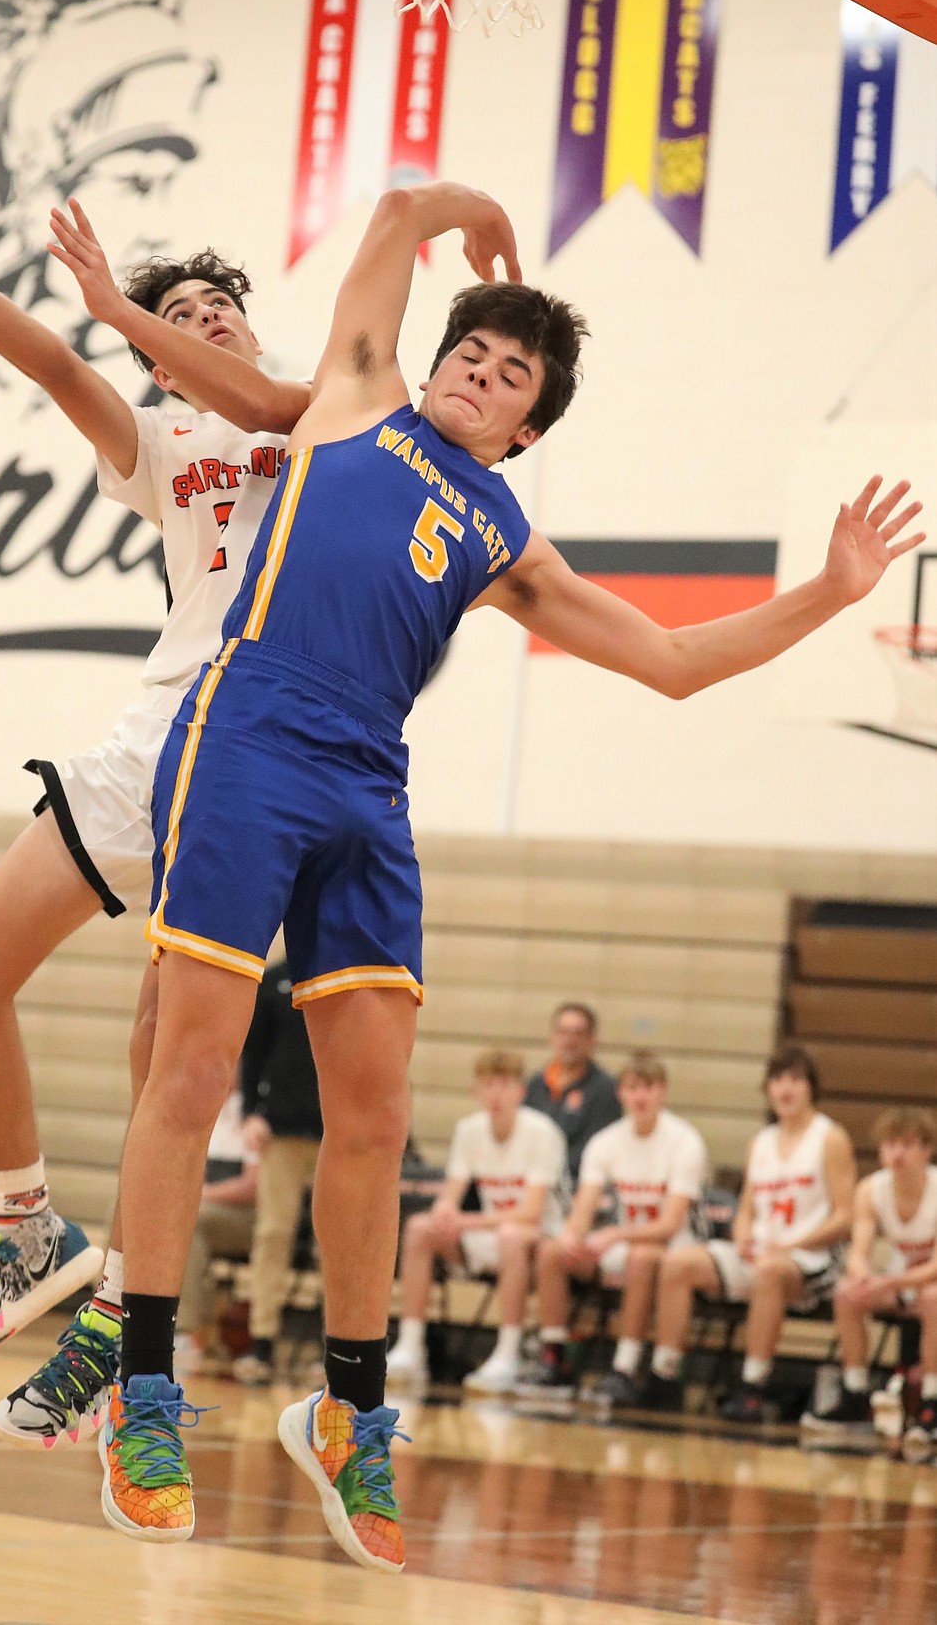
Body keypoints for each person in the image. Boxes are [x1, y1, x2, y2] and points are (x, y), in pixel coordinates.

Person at [51, 174, 921, 1567]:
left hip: (367, 782)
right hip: (249, 731)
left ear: (523, 427)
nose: (479, 369)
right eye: (470, 347)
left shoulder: (501, 533)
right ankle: (143, 1390)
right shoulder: (349, 390)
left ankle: (346, 1410)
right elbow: (394, 213)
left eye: (510, 371)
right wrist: (471, 215)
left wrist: (826, 590)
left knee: (379, 1112)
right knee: (194, 1073)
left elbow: (675, 662)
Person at [0, 154, 309, 1413]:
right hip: (152, 737)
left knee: (169, 1064)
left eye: (222, 310)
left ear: (253, 330)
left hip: (259, 759)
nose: (206, 324)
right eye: (183, 317)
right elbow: (48, 362)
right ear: (154, 356)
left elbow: (294, 403)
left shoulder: (319, 420)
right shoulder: (159, 434)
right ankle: (25, 1225)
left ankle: (118, 1320)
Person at [641, 1046, 858, 1420]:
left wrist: (794, 1243)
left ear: (811, 1088)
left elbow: (845, 1216)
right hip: (760, 1253)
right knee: (678, 1262)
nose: (785, 1089)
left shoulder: (830, 1138)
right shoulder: (761, 1142)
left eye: (795, 1080)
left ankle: (753, 1386)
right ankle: (665, 1375)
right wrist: (741, 1236)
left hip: (810, 1261)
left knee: (770, 1270)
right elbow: (746, 1209)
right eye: (777, 1080)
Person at [385, 1048, 566, 1395]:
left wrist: (466, 1223)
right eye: (487, 1085)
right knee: (420, 1228)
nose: (496, 1093)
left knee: (512, 1235)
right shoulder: (469, 1130)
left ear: (520, 1091)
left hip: (539, 1239)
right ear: (476, 1091)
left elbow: (532, 1212)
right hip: (490, 1233)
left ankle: (508, 1352)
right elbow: (450, 1195)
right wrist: (444, 1213)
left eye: (504, 1084)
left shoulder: (542, 1132)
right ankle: (410, 1346)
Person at [533, 1052, 706, 1408]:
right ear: (621, 1094)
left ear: (663, 1092)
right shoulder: (606, 1142)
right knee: (552, 1250)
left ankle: (624, 1367)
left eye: (648, 1087)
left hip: (676, 1247)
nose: (640, 1096)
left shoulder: (685, 1142)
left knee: (640, 1257)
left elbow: (670, 1225)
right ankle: (554, 1354)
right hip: (625, 1242)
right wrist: (571, 1236)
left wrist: (613, 1235)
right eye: (632, 1088)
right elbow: (583, 1208)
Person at [800, 1105, 937, 1458]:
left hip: (926, 1284)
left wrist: (889, 1283)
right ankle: (856, 1393)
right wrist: (862, 1275)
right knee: (847, 1293)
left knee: (933, 1297)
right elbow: (858, 1251)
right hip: (899, 1281)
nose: (898, 1153)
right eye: (891, 1144)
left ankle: (931, 1403)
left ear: (927, 1150)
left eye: (908, 1145)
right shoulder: (870, 1190)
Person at [232, 956, 325, 1387]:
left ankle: (337, 1347)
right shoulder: (273, 981)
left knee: (337, 1242)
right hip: (281, 1131)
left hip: (338, 1136)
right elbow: (253, 1050)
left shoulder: (352, 966)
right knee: (273, 1232)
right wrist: (250, 1111)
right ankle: (262, 1342)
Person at [172, 1081, 260, 1378]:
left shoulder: (254, 1111)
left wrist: (200, 1194)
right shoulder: (200, 1103)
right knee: (125, 1209)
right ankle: (112, 1313)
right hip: (203, 1203)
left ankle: (182, 1332)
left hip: (245, 1217)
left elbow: (253, 1187)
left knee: (192, 1221)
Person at [524, 1003, 621, 1182]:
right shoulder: (534, 1085)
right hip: (530, 1182)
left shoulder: (606, 1089)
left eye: (578, 1034)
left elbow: (594, 1149)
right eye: (562, 1032)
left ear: (592, 1040)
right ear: (552, 1038)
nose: (569, 1040)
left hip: (578, 1186)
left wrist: (546, 1172)